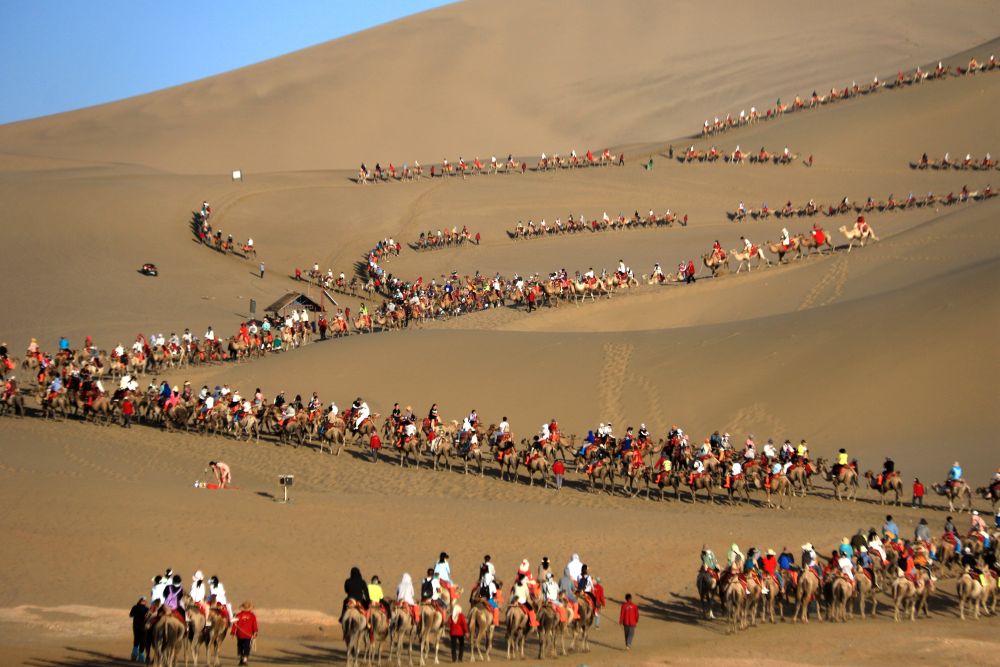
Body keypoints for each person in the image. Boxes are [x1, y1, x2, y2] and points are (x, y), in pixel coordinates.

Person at [231, 601, 258, 666]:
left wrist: (233, 633)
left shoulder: (238, 615)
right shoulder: (252, 615)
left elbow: (234, 625)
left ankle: (241, 659)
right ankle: (244, 660)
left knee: (240, 646)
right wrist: (255, 632)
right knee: (247, 647)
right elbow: (254, 625)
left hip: (240, 634)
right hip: (248, 635)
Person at [129, 597, 149, 662]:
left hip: (136, 627)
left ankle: (134, 655)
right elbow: (148, 617)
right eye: (145, 601)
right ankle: (141, 657)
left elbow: (131, 615)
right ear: (144, 602)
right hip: (143, 628)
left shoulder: (135, 607)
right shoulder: (146, 609)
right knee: (143, 641)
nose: (145, 602)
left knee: (136, 639)